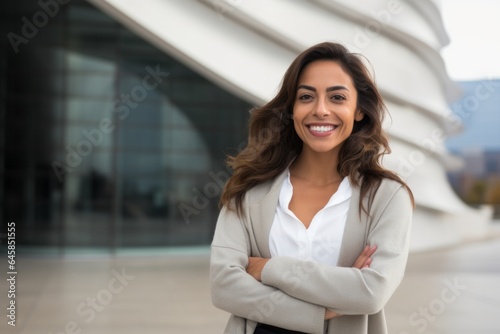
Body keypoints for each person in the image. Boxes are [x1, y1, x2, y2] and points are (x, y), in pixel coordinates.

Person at [210, 42, 414, 334]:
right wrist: (328, 309)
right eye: (306, 96)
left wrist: (267, 269)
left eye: (337, 97)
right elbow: (223, 286)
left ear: (358, 110)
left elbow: (371, 292)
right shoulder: (248, 190)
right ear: (292, 109)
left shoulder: (387, 197)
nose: (320, 110)